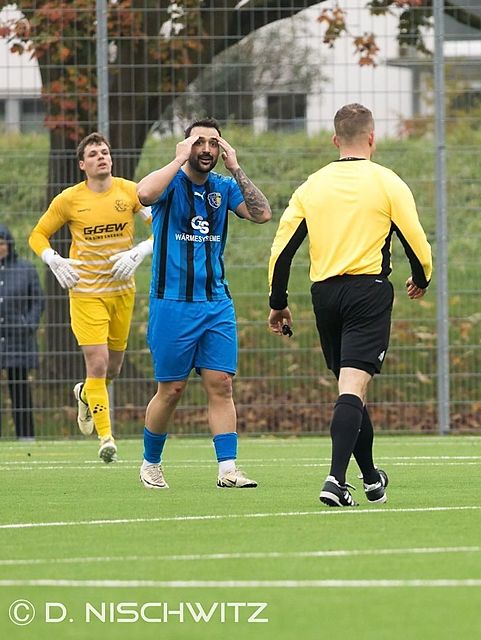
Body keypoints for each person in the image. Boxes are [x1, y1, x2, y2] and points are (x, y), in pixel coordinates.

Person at [267, 103, 432, 507]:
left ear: (335, 140)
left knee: (350, 390)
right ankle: (335, 480)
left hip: (325, 295)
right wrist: (421, 276)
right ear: (372, 138)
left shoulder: (312, 185)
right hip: (367, 292)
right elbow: (417, 242)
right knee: (353, 389)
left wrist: (278, 302)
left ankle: (372, 479)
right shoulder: (387, 182)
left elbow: (282, 250)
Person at [136, 118, 272, 490]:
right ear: (187, 146)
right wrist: (176, 160)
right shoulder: (170, 184)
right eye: (200, 142)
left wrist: (237, 167)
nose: (207, 149)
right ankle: (150, 463)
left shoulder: (224, 187)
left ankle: (228, 469)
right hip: (172, 303)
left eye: (214, 143)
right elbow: (143, 195)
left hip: (216, 303)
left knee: (221, 384)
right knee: (172, 389)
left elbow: (262, 214)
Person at [28, 132, 152, 462]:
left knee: (113, 368)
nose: (102, 157)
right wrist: (52, 259)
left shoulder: (130, 192)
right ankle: (106, 438)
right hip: (85, 293)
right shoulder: (69, 200)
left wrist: (142, 249)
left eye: (105, 152)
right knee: (96, 364)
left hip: (122, 293)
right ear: (82, 164)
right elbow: (38, 234)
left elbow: (161, 224)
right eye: (94, 153)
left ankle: (85, 393)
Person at [0, 225, 44, 440]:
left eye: (2, 243)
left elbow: (37, 300)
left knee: (19, 388)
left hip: (18, 339)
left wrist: (29, 324)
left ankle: (26, 436)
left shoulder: (25, 269)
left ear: (9, 244)